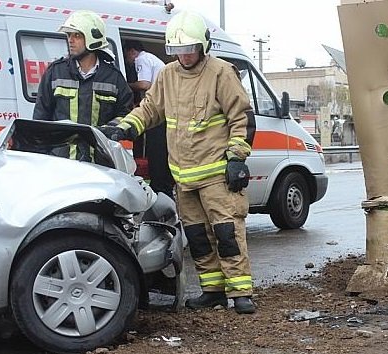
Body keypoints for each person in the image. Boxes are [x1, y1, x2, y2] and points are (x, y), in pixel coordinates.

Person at [100, 10, 256, 314]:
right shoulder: (168, 76)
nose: (184, 56)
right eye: (178, 50)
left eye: (190, 49)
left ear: (203, 46)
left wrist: (237, 158)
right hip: (184, 177)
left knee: (227, 233)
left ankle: (240, 292)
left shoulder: (222, 73)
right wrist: (125, 127)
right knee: (197, 237)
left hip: (216, 175)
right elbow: (149, 110)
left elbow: (242, 119)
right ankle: (212, 290)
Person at [33, 10, 133, 161]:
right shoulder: (55, 72)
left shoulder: (113, 77)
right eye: (69, 35)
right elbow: (40, 119)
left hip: (100, 164)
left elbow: (126, 115)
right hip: (60, 163)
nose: (70, 40)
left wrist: (108, 130)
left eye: (77, 35)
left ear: (93, 39)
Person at [123, 40, 174, 198]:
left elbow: (145, 84)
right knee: (162, 152)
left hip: (158, 113)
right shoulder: (153, 59)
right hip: (165, 110)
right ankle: (164, 187)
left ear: (132, 51)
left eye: (126, 56)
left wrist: (126, 85)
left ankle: (159, 188)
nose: (128, 61)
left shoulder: (142, 59)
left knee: (156, 152)